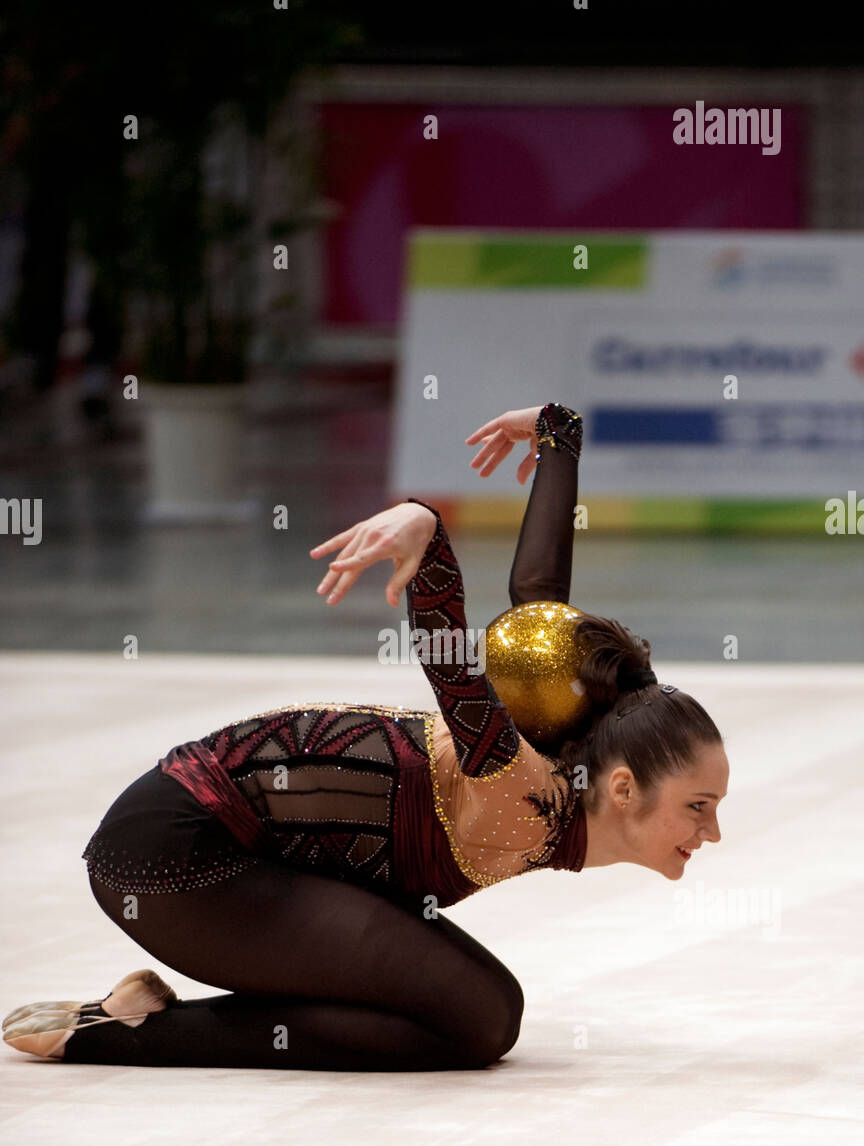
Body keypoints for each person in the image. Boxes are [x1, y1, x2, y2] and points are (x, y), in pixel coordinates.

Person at [3, 402, 728, 1071]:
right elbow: (454, 671)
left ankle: (138, 1017)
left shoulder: (559, 730)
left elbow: (538, 603)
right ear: (623, 788)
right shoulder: (525, 791)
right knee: (479, 1017)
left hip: (253, 854)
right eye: (698, 806)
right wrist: (425, 528)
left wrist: (557, 436)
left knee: (477, 1012)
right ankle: (129, 1031)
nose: (713, 831)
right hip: (176, 858)